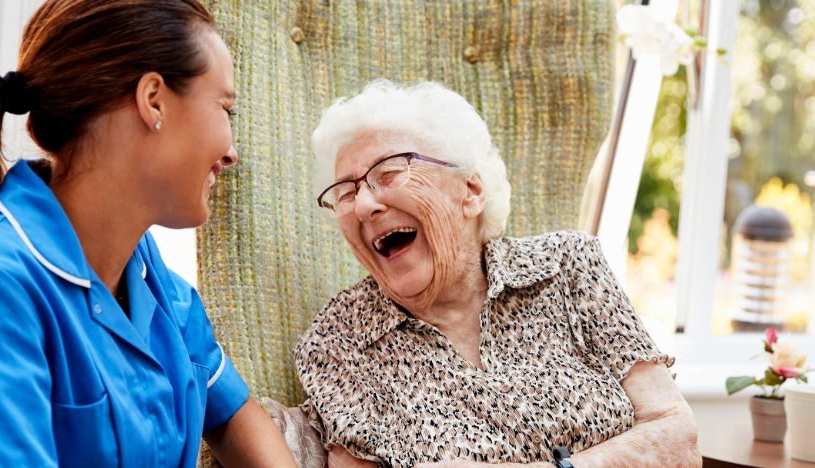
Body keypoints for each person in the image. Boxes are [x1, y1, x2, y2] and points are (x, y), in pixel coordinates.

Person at [0, 1, 296, 466]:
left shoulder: (143, 271)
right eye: (224, 108)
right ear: (153, 100)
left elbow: (232, 413)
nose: (231, 152)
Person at [295, 80, 700, 468]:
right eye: (346, 193)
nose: (364, 205)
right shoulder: (338, 342)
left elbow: (676, 437)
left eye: (389, 173)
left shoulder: (568, 266)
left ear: (470, 191)